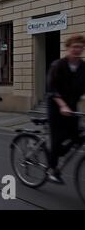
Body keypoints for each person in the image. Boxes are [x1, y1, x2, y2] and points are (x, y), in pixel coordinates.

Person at [46, 34, 85, 184]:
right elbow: (51, 88)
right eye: (74, 47)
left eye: (80, 47)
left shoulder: (83, 67)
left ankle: (58, 153)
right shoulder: (58, 65)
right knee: (57, 141)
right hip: (56, 107)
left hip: (72, 107)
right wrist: (62, 105)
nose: (77, 50)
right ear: (68, 48)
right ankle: (52, 170)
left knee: (77, 137)